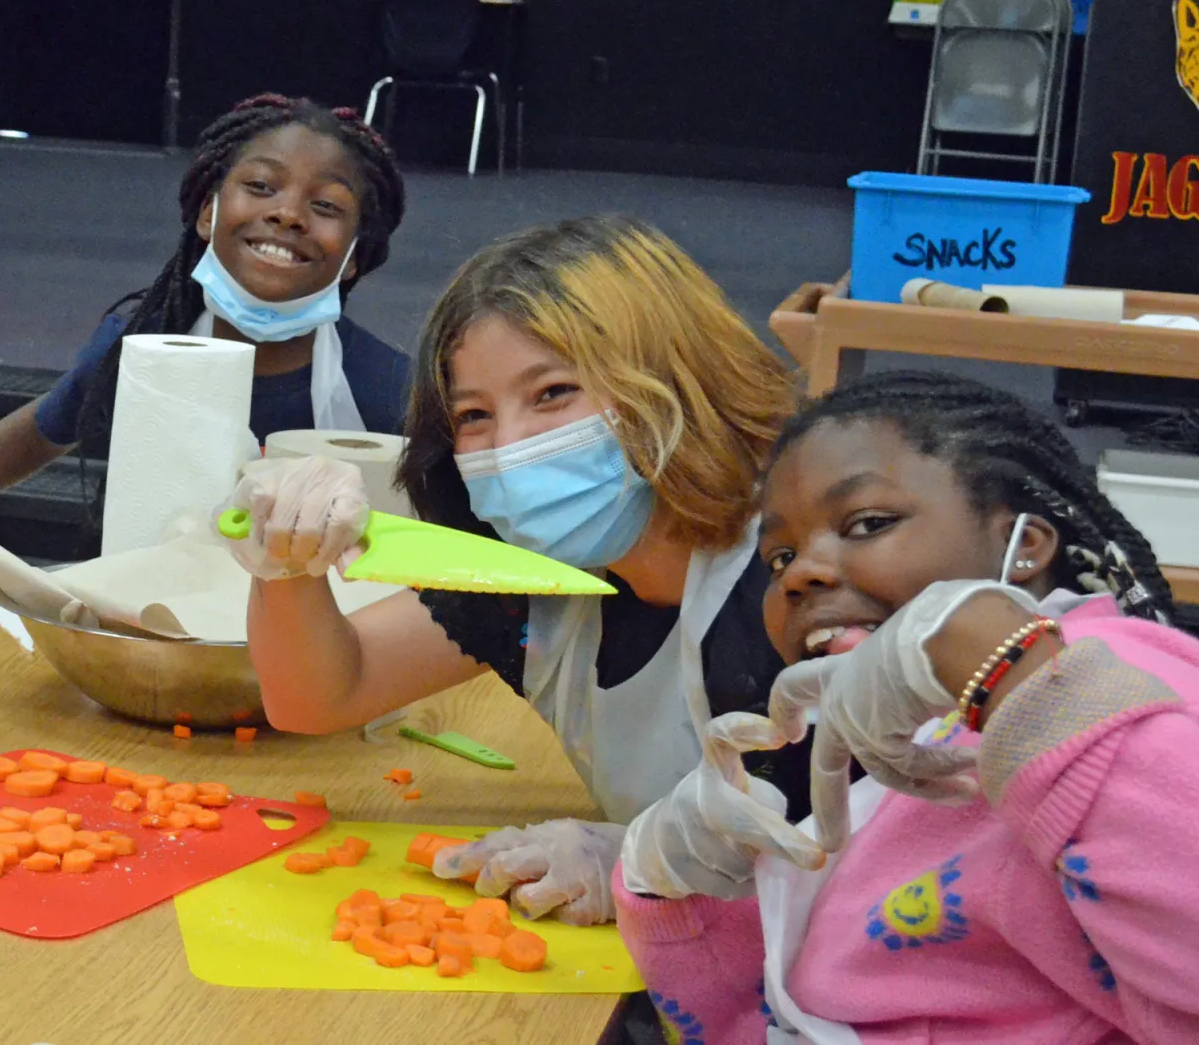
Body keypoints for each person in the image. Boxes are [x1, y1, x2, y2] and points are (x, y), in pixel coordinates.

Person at [615, 371, 1199, 1043]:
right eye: (779, 558)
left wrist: (1001, 659)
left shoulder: (1118, 680)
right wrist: (672, 887)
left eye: (868, 523)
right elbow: (796, 1012)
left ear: (1026, 546)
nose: (801, 573)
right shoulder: (907, 747)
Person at [226, 215, 797, 926]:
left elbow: (878, 858)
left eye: (553, 393)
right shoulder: (542, 580)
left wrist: (638, 858)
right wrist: (287, 563)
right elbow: (320, 696)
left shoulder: (803, 587)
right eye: (473, 416)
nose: (513, 445)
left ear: (674, 377)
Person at [0, 93, 411, 532]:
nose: (287, 214)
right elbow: (40, 431)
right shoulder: (139, 347)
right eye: (261, 186)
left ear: (355, 257)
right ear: (208, 213)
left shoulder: (389, 388)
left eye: (325, 206)